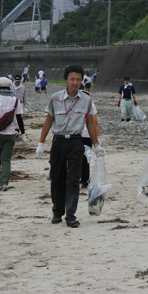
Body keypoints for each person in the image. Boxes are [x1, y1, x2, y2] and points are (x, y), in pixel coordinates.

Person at [35, 65, 106, 228]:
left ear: (83, 80)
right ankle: (57, 212)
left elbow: (89, 123)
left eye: (78, 79)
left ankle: (71, 215)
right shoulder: (55, 98)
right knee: (57, 178)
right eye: (72, 79)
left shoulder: (87, 99)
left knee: (73, 180)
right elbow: (48, 121)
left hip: (76, 142)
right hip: (58, 141)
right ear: (66, 79)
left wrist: (96, 145)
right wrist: (41, 143)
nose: (75, 82)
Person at [0, 77, 27, 191]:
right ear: (10, 87)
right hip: (10, 135)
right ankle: (4, 183)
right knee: (6, 159)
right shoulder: (15, 100)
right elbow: (19, 119)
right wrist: (23, 133)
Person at [81, 101, 101, 189]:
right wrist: (98, 137)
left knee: (73, 157)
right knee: (85, 158)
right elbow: (95, 122)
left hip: (74, 133)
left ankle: (74, 178)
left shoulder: (71, 102)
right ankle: (84, 181)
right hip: (87, 134)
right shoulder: (90, 104)